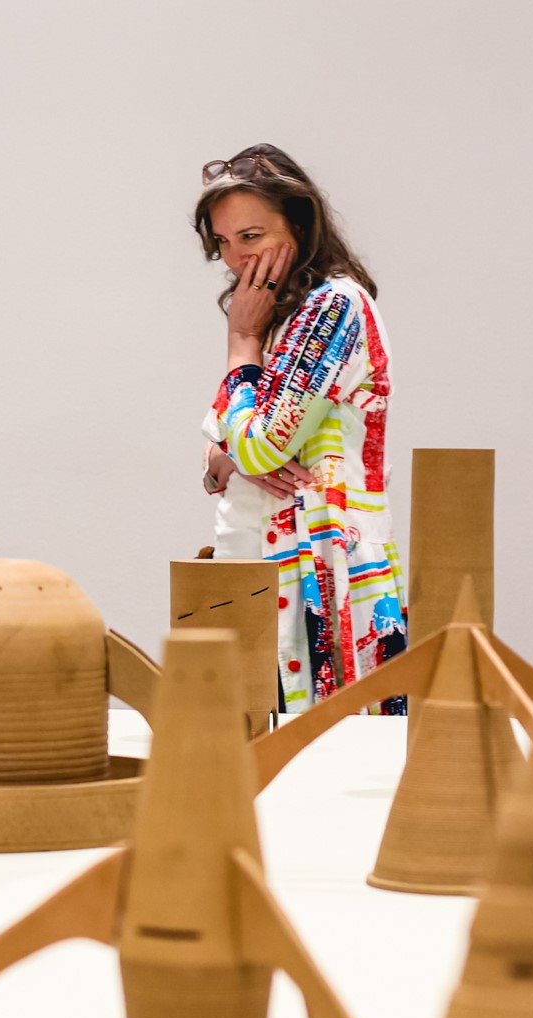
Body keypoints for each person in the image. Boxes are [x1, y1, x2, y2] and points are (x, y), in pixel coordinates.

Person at [195, 143, 408, 715]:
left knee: (326, 761)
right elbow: (225, 446)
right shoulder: (281, 316)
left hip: (318, 564)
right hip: (266, 557)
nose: (237, 258)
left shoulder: (331, 306)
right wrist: (229, 452)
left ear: (300, 221)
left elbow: (258, 443)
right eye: (224, 242)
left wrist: (240, 345)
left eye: (252, 236)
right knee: (246, 763)